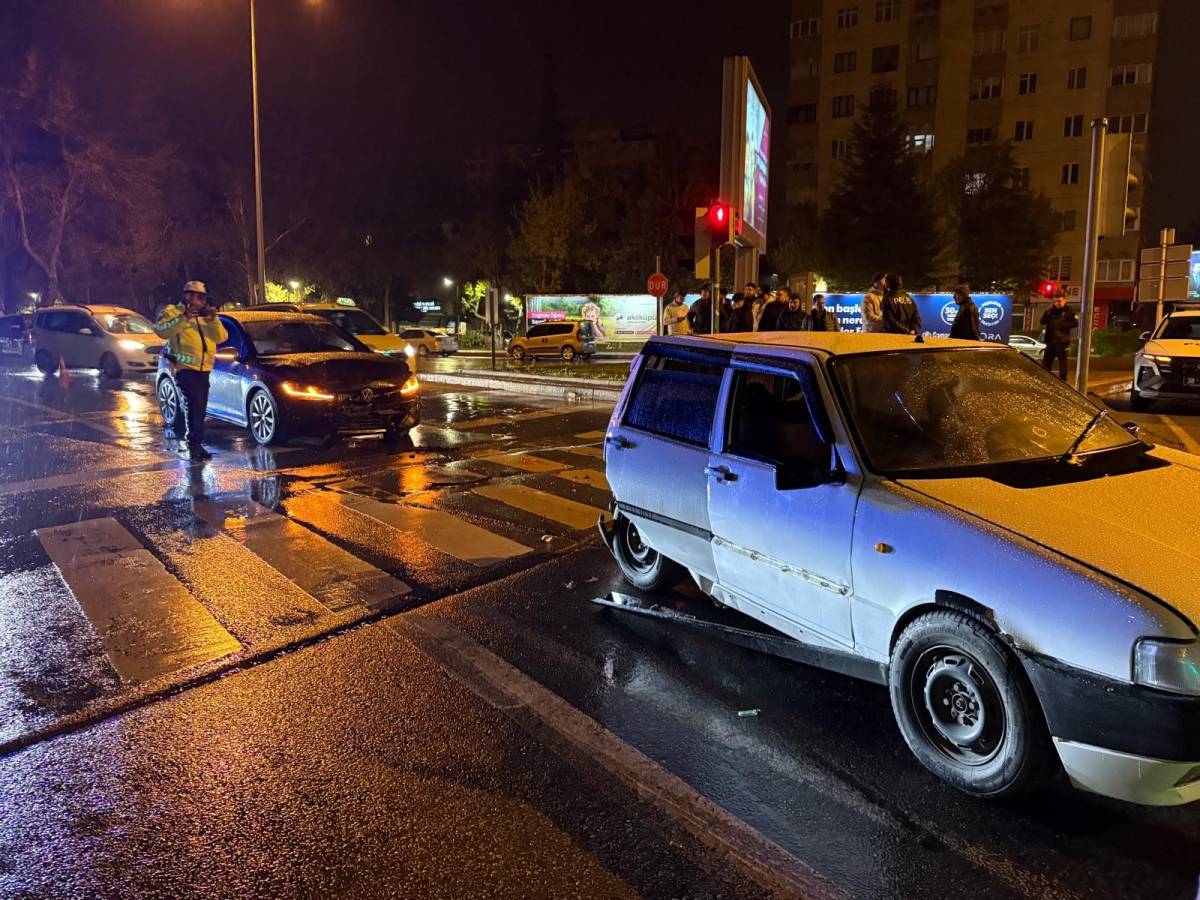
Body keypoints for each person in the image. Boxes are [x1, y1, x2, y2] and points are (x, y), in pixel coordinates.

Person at [154, 280, 227, 460]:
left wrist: (213, 320)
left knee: (199, 409)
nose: (202, 302)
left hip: (204, 369)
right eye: (199, 297)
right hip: (185, 368)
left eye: (204, 298)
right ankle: (193, 445)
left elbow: (222, 337)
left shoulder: (204, 317)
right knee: (194, 406)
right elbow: (162, 331)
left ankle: (196, 444)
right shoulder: (172, 312)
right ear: (188, 296)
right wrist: (184, 317)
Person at [1040, 289, 1078, 380]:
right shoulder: (1052, 311)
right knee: (1046, 364)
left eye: (1059, 301)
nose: (1057, 303)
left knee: (1062, 363)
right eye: (1055, 301)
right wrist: (1047, 311)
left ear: (1065, 300)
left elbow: (1075, 323)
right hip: (1051, 341)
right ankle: (1044, 380)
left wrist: (1063, 325)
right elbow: (1043, 321)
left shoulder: (1069, 311)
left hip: (1062, 341)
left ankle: (1063, 381)